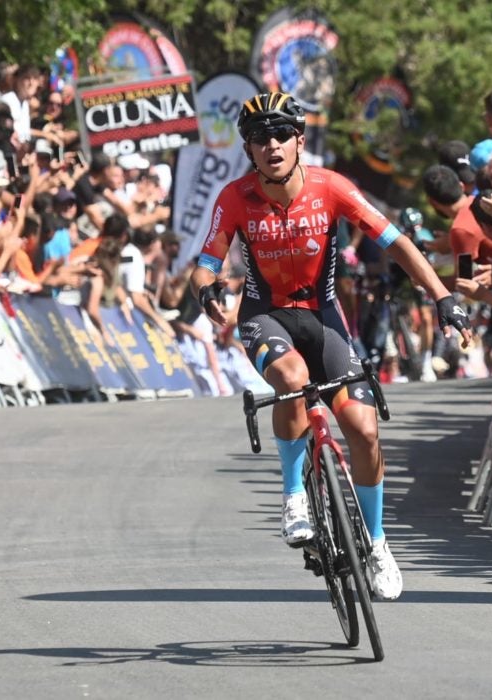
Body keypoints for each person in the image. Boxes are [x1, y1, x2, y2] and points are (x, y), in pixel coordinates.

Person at [190, 92, 471, 601]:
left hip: (324, 317)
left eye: (281, 136)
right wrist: (206, 287)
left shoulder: (332, 187)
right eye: (259, 139)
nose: (271, 146)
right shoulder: (235, 197)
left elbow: (398, 244)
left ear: (299, 140)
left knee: (363, 429)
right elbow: (207, 260)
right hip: (265, 317)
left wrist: (444, 296)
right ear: (249, 150)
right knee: (292, 380)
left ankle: (379, 544)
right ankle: (294, 495)